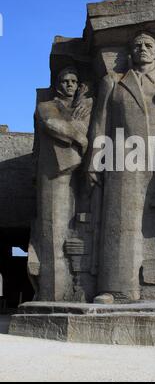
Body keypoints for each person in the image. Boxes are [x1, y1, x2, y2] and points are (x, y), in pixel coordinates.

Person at [88, 32, 155, 303]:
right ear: (130, 52)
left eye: (148, 45)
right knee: (119, 220)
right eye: (137, 45)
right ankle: (117, 289)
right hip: (123, 156)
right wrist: (95, 160)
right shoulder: (113, 82)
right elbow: (99, 124)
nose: (143, 49)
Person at [28, 67, 91, 301]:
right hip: (54, 173)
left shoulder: (85, 107)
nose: (69, 85)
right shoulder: (46, 106)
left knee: (82, 229)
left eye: (74, 81)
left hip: (84, 171)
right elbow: (54, 125)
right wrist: (81, 137)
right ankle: (52, 294)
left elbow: (86, 125)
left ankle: (80, 287)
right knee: (54, 232)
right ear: (58, 85)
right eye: (65, 81)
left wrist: (82, 108)